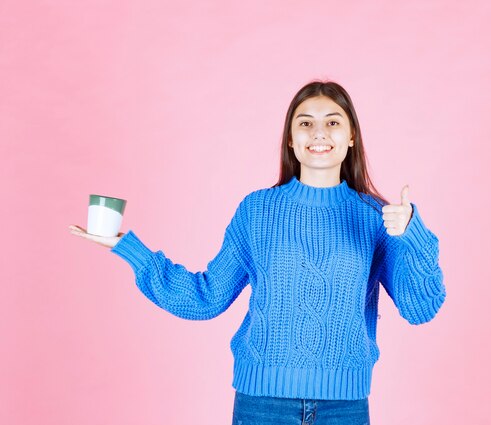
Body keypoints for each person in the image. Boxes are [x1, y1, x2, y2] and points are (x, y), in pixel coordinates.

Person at [69, 80, 446, 425]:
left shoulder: (377, 217)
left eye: (332, 123)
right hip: (262, 405)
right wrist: (128, 248)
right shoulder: (257, 211)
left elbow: (421, 308)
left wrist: (413, 233)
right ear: (290, 140)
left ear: (351, 138)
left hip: (344, 408)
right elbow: (206, 297)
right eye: (305, 123)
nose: (318, 132)